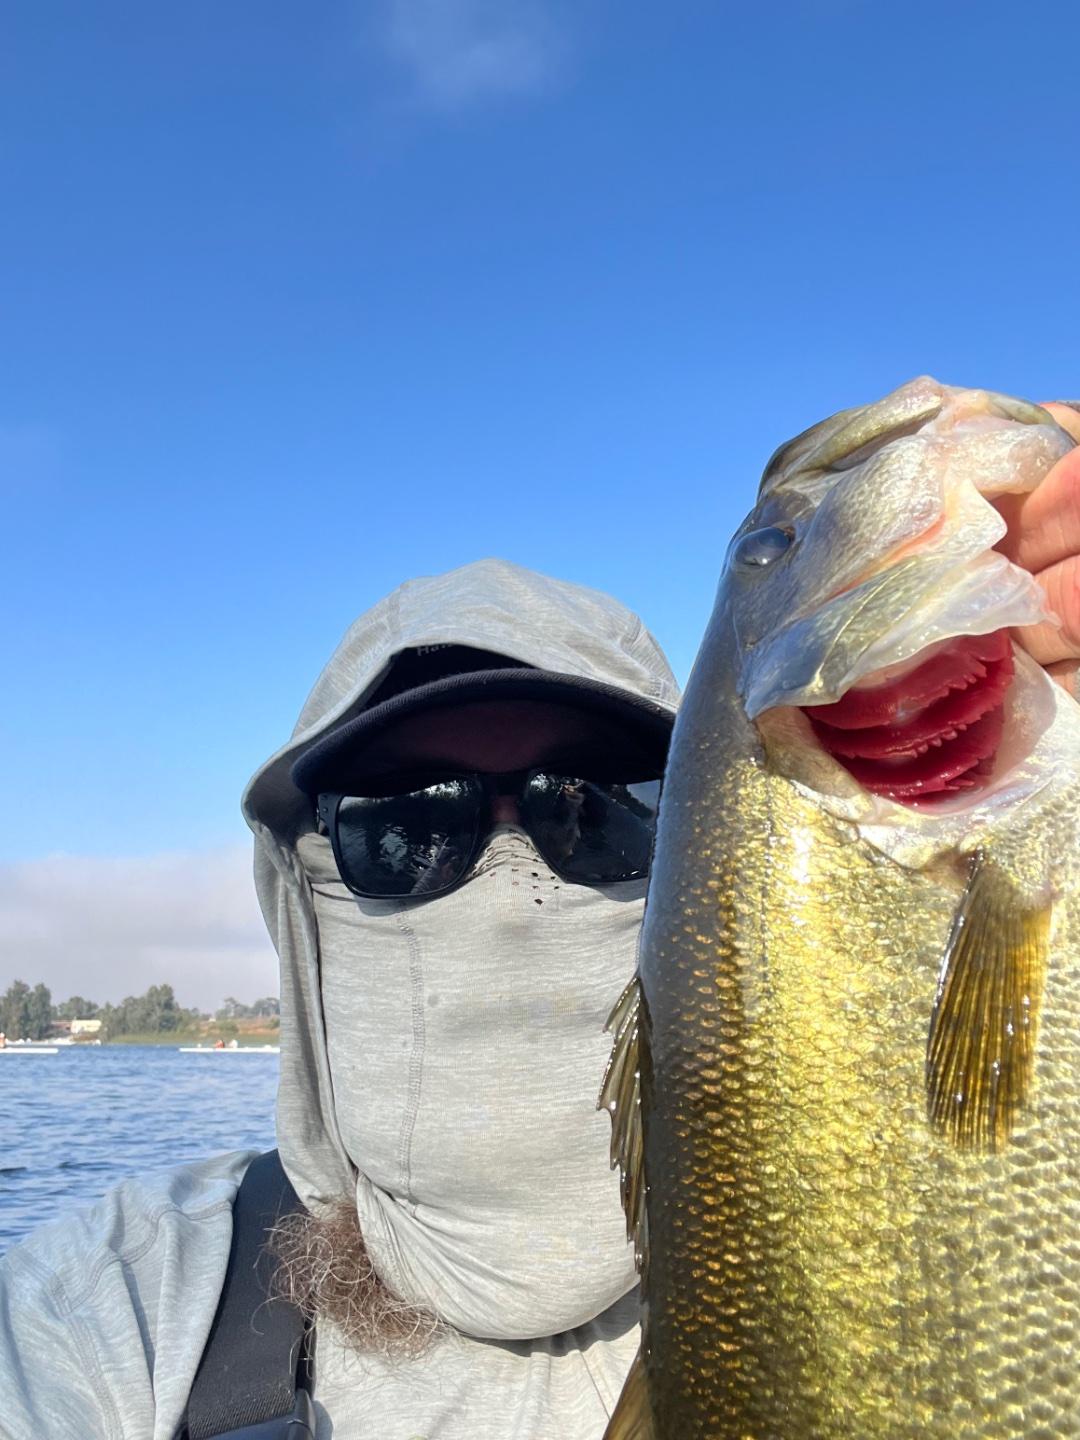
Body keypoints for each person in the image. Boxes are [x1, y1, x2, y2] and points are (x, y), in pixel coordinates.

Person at [1, 401, 1079, 1440]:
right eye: (403, 823)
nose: (511, 894)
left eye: (596, 808)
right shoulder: (106, 1317)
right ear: (299, 895)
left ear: (689, 853)